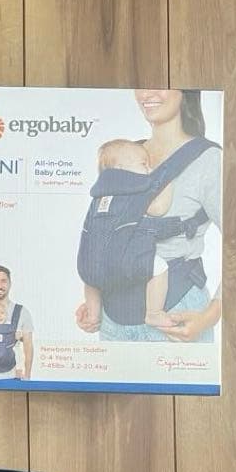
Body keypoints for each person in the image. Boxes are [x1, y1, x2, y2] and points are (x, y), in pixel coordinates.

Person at [75, 89, 222, 342]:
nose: (147, 92)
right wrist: (93, 305)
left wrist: (209, 317)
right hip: (112, 320)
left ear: (186, 90)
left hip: (177, 315)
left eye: (161, 83)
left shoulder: (208, 160)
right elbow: (105, 231)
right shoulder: (123, 154)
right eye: (142, 84)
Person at [82, 138, 174, 329]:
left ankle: (93, 313)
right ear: (121, 169)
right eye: (144, 164)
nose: (149, 169)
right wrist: (168, 181)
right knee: (160, 267)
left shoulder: (98, 198)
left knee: (92, 277)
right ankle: (154, 313)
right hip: (123, 263)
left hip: (91, 264)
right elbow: (159, 209)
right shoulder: (134, 191)